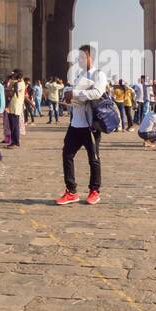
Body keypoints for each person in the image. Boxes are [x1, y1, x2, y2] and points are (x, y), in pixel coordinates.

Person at [57, 44, 107, 204]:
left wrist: (76, 93)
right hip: (76, 124)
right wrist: (67, 96)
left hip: (91, 125)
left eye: (82, 57)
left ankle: (94, 191)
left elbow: (97, 93)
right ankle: (71, 191)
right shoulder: (79, 75)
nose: (79, 60)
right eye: (78, 58)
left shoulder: (99, 75)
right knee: (67, 155)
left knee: (93, 158)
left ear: (90, 57)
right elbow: (74, 94)